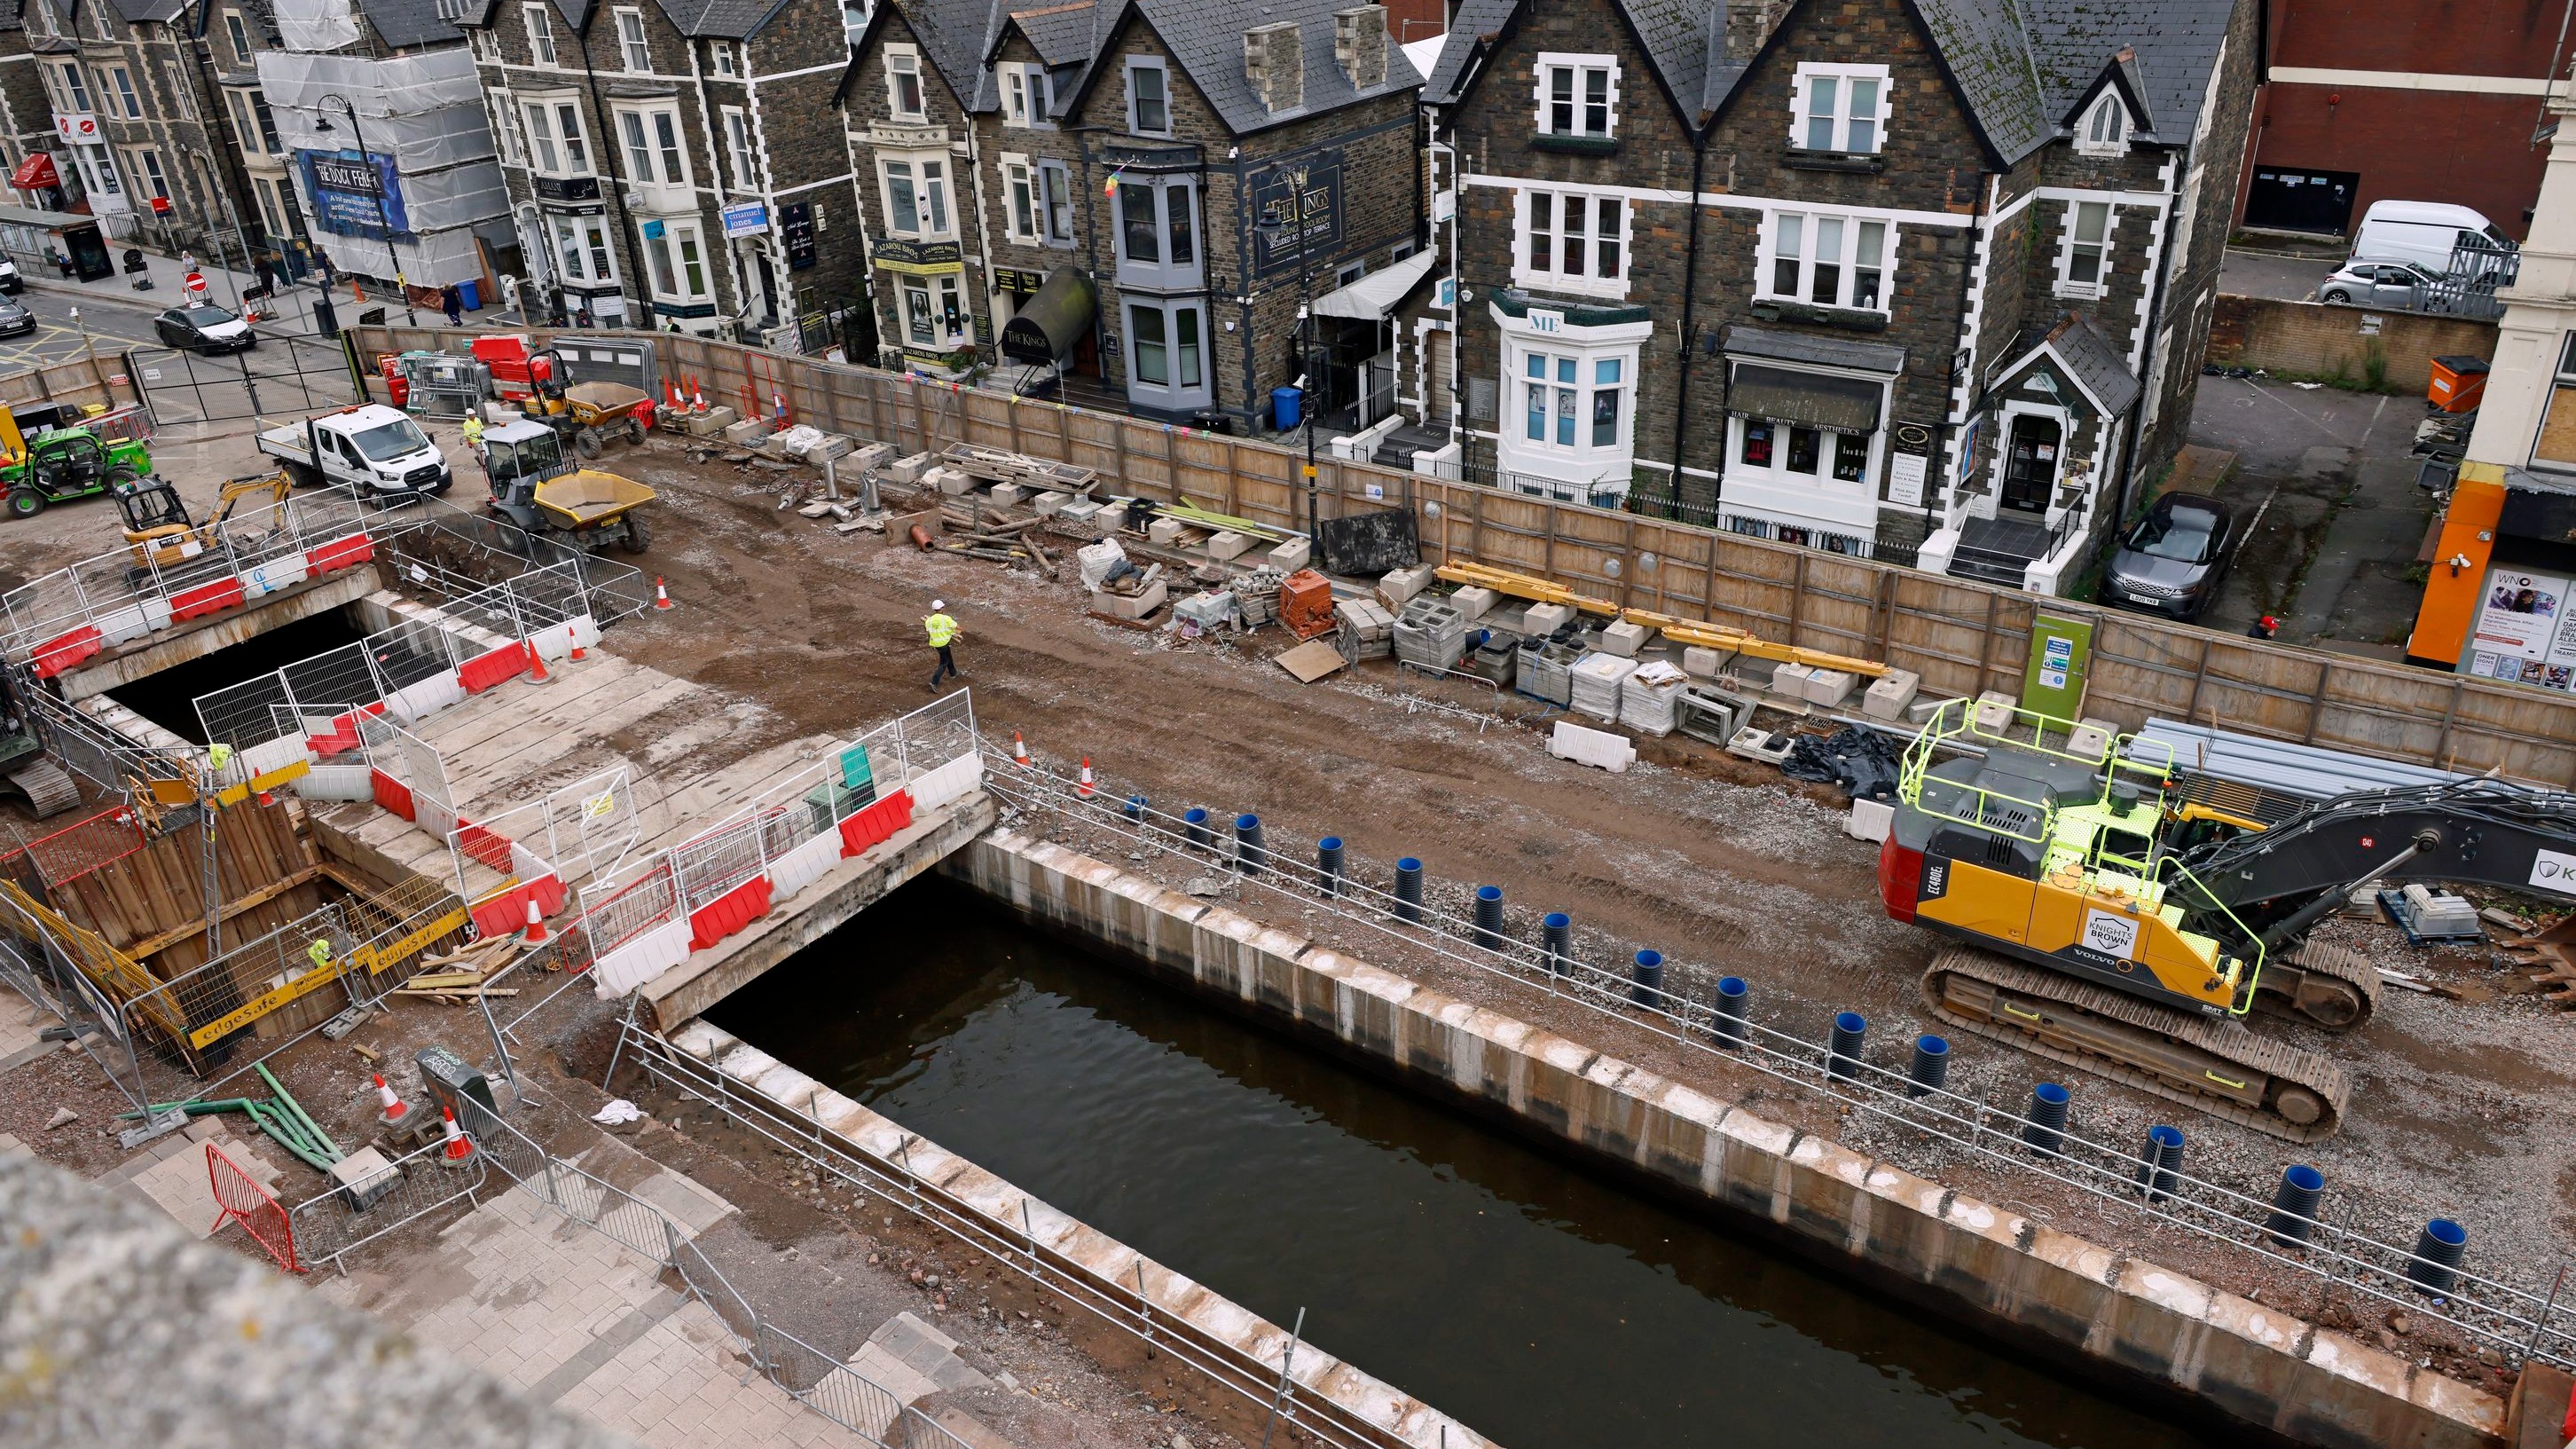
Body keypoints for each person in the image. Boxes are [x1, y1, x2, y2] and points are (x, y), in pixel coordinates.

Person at [923, 599, 962, 692]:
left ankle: (953, 673)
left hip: (936, 644)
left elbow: (929, 632)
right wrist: (959, 631)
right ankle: (934, 682)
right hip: (943, 643)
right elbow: (958, 628)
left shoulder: (929, 620)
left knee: (948, 656)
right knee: (944, 662)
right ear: (941, 608)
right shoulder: (946, 619)